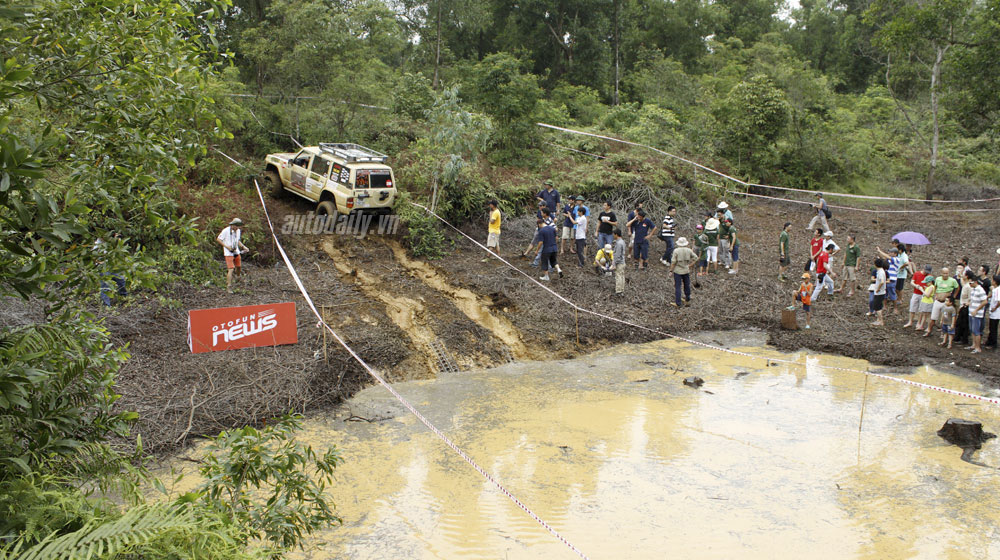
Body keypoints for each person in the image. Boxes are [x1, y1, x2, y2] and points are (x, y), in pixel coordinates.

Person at [217, 218, 249, 294]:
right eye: (236, 226)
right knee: (231, 269)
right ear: (232, 225)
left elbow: (237, 240)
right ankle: (229, 286)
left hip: (236, 251)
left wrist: (243, 247)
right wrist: (227, 247)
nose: (237, 228)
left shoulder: (238, 231)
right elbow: (218, 239)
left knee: (239, 266)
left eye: (238, 226)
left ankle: (238, 278)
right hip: (228, 253)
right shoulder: (225, 231)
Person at [95, 235, 128, 306]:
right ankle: (106, 306)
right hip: (103, 268)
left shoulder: (110, 243)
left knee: (121, 280)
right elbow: (96, 258)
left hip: (111, 267)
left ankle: (123, 298)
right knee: (105, 286)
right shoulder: (97, 246)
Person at [926, 267, 959, 336]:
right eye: (944, 273)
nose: (945, 275)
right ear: (941, 273)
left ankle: (944, 333)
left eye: (947, 273)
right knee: (933, 317)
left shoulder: (952, 280)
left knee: (945, 318)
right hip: (938, 300)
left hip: (946, 302)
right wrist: (936, 294)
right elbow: (935, 286)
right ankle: (929, 330)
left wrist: (954, 296)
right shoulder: (938, 279)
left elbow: (957, 287)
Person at [670, 237, 697, 308]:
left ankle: (678, 303)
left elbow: (673, 262)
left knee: (678, 286)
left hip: (678, 271)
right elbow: (696, 258)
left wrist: (671, 270)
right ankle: (687, 299)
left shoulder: (676, 251)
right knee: (687, 285)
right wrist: (690, 265)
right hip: (686, 270)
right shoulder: (689, 250)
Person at [875, 246, 901, 317]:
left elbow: (887, 256)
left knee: (892, 294)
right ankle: (884, 306)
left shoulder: (896, 259)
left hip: (892, 279)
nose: (889, 253)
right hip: (886, 279)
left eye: (891, 252)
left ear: (895, 253)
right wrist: (878, 252)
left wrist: (880, 251)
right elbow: (883, 257)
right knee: (884, 293)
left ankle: (895, 308)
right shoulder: (889, 260)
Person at [967, 270, 988, 353]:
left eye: (970, 283)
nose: (970, 285)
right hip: (971, 312)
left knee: (976, 331)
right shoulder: (973, 290)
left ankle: (978, 347)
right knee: (972, 330)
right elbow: (972, 300)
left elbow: (985, 301)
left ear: (975, 282)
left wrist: (976, 310)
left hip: (977, 314)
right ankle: (973, 345)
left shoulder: (980, 290)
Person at [905, 264, 932, 329]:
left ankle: (919, 323)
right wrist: (916, 285)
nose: (926, 273)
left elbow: (931, 284)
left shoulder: (929, 276)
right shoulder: (917, 273)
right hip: (916, 293)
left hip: (923, 294)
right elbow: (912, 282)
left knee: (921, 309)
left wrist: (926, 288)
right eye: (925, 271)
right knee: (912, 307)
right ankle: (910, 321)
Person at [871, 258, 887, 326]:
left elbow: (882, 282)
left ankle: (881, 321)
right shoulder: (881, 271)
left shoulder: (880, 272)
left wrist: (878, 289)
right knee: (879, 306)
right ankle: (878, 319)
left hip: (879, 292)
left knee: (878, 307)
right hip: (881, 292)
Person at [986, 274, 1000, 350]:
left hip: (996, 313)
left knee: (993, 328)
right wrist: (988, 297)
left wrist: (995, 308)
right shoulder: (995, 289)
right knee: (991, 327)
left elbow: (999, 301)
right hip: (993, 311)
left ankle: (993, 343)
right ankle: (989, 340)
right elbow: (992, 295)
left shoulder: (998, 290)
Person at [613, 228, 627, 295]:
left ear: (616, 234)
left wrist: (614, 264)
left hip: (619, 263)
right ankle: (621, 289)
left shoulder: (619, 243)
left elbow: (617, 255)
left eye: (614, 234)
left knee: (618, 276)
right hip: (623, 262)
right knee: (622, 276)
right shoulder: (623, 242)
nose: (613, 236)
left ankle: (618, 291)